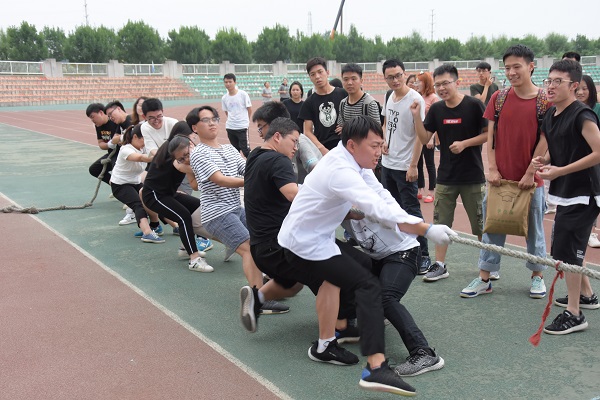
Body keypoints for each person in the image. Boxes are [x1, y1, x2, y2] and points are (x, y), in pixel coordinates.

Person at [278, 115, 456, 396]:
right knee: (370, 288)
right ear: (352, 145)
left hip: (350, 247)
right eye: (374, 146)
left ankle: (330, 344)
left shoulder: (356, 165)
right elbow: (375, 206)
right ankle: (376, 368)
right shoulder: (341, 171)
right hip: (305, 246)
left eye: (381, 145)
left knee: (361, 285)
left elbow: (380, 195)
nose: (379, 151)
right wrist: (426, 229)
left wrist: (420, 226)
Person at [241, 117, 359, 365]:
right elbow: (294, 195)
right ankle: (327, 343)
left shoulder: (255, 156)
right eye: (294, 141)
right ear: (277, 137)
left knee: (292, 283)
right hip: (279, 244)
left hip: (261, 246)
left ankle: (257, 298)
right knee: (331, 274)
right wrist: (338, 204)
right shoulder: (278, 160)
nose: (296, 147)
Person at [461, 44, 548, 298]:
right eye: (507, 67)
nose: (511, 72)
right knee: (492, 229)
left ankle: (537, 277)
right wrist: (492, 169)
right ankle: (484, 278)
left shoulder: (544, 101)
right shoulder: (498, 98)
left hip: (531, 183)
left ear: (531, 67)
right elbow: (491, 137)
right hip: (499, 180)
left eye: (516, 66)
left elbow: (546, 139)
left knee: (535, 231)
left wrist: (530, 172)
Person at [188, 106, 287, 314]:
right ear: (194, 128)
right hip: (216, 213)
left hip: (235, 208)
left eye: (214, 118)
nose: (212, 123)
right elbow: (220, 179)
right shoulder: (198, 153)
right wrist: (255, 181)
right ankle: (258, 301)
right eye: (206, 120)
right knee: (249, 248)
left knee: (262, 241)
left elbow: (249, 169)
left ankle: (268, 282)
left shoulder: (229, 149)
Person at [532, 59, 600, 334]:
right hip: (566, 193)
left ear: (574, 86)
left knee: (568, 253)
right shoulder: (552, 114)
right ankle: (586, 296)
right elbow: (558, 147)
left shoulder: (582, 115)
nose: (550, 86)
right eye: (548, 81)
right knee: (568, 249)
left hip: (584, 194)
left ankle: (575, 314)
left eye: (557, 81)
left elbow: (598, 152)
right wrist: (545, 160)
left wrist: (561, 171)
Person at [341, 212, 445, 377]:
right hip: (376, 259)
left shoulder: (366, 200)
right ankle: (348, 321)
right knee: (336, 264)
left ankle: (424, 352)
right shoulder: (333, 202)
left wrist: (428, 229)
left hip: (404, 253)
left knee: (386, 298)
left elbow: (391, 212)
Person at [413, 64, 488, 282]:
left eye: (446, 83)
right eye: (438, 85)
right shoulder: (437, 109)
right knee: (441, 223)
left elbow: (488, 134)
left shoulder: (474, 105)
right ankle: (440, 265)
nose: (442, 88)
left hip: (473, 176)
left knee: (480, 224)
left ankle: (487, 264)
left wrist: (465, 144)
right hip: (446, 176)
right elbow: (424, 138)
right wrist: (416, 117)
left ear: (457, 82)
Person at [380, 59, 431, 274]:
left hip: (404, 166)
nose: (395, 80)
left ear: (404, 74)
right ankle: (401, 250)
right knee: (392, 210)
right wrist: (384, 140)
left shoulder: (415, 99)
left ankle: (424, 255)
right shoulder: (389, 96)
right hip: (387, 164)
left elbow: (420, 136)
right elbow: (385, 123)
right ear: (385, 78)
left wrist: (413, 165)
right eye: (390, 77)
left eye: (398, 75)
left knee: (411, 211)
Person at [141, 122, 213, 272]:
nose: (194, 138)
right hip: (154, 195)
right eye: (192, 135)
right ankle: (194, 259)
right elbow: (182, 167)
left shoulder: (176, 148)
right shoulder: (174, 153)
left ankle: (185, 248)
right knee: (184, 217)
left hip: (168, 193)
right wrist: (215, 170)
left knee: (198, 206)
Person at [109, 124, 163, 244]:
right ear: (135, 137)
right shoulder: (126, 149)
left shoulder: (144, 147)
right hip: (120, 185)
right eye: (144, 138)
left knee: (151, 199)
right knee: (138, 205)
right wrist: (159, 155)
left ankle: (156, 226)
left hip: (135, 182)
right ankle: (147, 233)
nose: (146, 142)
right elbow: (141, 158)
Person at [252, 101, 321, 183]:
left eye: (261, 128)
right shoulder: (273, 146)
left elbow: (315, 168)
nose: (260, 134)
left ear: (274, 124)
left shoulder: (299, 141)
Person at [299, 57, 348, 155]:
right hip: (323, 149)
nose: (317, 77)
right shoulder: (309, 103)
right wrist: (321, 148)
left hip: (345, 146)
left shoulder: (343, 94)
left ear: (327, 72)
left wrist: (348, 127)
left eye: (320, 72)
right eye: (313, 74)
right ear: (310, 77)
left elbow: (356, 116)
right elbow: (307, 131)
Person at [577, 75, 600, 249]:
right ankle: (584, 231)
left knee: (594, 196)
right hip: (575, 160)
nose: (581, 92)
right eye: (578, 89)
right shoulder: (569, 109)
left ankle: (591, 231)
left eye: (585, 88)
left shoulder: (597, 108)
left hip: (594, 160)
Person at [415, 72, 439, 203]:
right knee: (418, 163)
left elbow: (435, 120)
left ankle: (431, 191)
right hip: (417, 135)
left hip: (428, 134)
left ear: (426, 83)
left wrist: (431, 138)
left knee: (429, 163)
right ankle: (419, 189)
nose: (417, 84)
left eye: (419, 81)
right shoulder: (417, 97)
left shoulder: (433, 98)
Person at [336, 63, 381, 128]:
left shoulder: (369, 104)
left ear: (361, 81)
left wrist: (349, 129)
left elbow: (376, 130)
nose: (349, 83)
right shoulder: (343, 103)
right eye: (346, 79)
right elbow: (341, 126)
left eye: (353, 79)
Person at [86, 103, 119, 186]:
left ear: (101, 113)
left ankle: (122, 186)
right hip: (112, 154)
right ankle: (116, 186)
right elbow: (100, 143)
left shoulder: (115, 121)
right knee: (94, 169)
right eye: (90, 118)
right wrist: (109, 145)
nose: (92, 120)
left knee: (117, 170)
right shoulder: (98, 125)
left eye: (93, 117)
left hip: (121, 154)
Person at [222, 73, 252, 157]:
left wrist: (246, 120)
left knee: (246, 150)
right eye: (226, 82)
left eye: (230, 82)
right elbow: (226, 112)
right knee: (235, 151)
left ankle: (251, 164)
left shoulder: (243, 94)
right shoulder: (224, 98)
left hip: (242, 127)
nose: (228, 84)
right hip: (230, 127)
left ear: (235, 82)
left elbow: (249, 109)